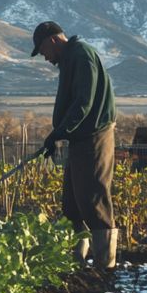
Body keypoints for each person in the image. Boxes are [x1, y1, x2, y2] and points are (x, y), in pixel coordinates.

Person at [30, 21, 118, 269]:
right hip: (79, 138)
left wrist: (58, 133)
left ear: (53, 41)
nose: (45, 57)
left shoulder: (81, 55)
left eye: (42, 50)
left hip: (94, 137)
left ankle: (105, 265)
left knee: (93, 199)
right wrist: (58, 135)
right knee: (72, 203)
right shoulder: (70, 58)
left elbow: (83, 103)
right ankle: (75, 262)